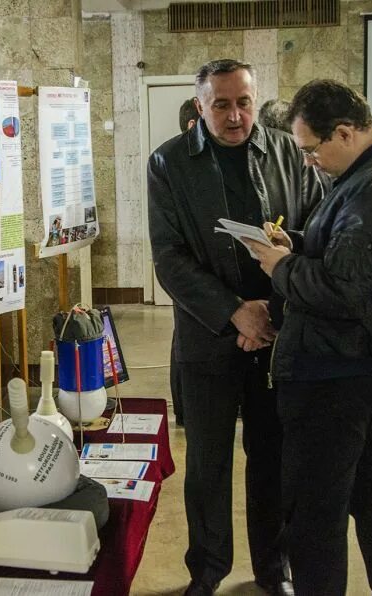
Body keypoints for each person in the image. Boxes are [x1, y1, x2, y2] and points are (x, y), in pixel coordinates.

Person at [247, 80, 372, 596]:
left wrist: (282, 266)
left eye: (309, 150)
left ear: (346, 133)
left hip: (338, 370)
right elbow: (352, 257)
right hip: (358, 364)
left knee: (315, 513)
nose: (306, 162)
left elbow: (350, 291)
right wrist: (302, 242)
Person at [147, 59, 324, 596]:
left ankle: (275, 569)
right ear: (200, 106)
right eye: (221, 104)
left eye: (243, 101)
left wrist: (271, 309)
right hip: (208, 337)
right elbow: (169, 257)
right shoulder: (169, 163)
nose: (235, 114)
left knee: (273, 459)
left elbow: (315, 228)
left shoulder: (288, 153)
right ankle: (207, 570)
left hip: (277, 334)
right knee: (208, 463)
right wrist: (234, 311)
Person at [171, 97, 199, 428]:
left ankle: (184, 409)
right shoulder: (174, 164)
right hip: (189, 272)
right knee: (184, 339)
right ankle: (184, 409)